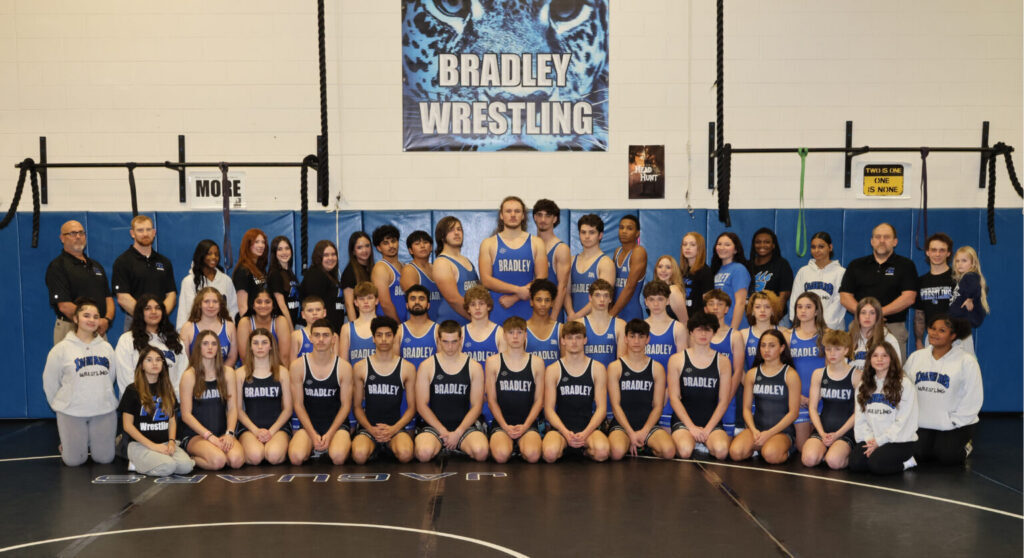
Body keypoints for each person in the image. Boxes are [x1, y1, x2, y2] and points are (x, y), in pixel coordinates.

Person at [43, 298, 118, 466]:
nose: (92, 320)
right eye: (86, 316)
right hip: (72, 412)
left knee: (105, 459)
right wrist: (62, 405)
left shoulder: (106, 348)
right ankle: (70, 444)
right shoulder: (61, 350)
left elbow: (110, 377)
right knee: (74, 461)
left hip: (103, 410)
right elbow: (50, 382)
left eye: (96, 316)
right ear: (76, 319)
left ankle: (92, 440)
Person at [905, 316, 982, 467]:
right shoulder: (916, 357)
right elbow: (905, 389)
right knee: (917, 454)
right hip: (923, 422)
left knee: (948, 457)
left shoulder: (966, 361)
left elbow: (973, 398)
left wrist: (954, 421)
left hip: (954, 423)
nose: (934, 333)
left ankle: (967, 445)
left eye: (942, 330)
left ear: (953, 336)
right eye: (932, 328)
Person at [414, 320, 489, 462]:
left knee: (481, 452)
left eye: (454, 342)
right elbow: (421, 405)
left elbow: (477, 406)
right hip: (435, 426)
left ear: (461, 339)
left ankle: (455, 445)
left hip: (464, 426)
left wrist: (458, 433)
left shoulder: (474, 367)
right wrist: (443, 431)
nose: (450, 347)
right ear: (438, 340)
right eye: (446, 342)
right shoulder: (427, 366)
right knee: (423, 453)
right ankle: (445, 444)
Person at [839, 223, 918, 353]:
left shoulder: (906, 265)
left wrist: (878, 313)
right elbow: (845, 296)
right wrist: (866, 315)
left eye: (887, 237)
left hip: (893, 327)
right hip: (860, 327)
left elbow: (909, 297)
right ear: (872, 241)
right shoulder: (856, 265)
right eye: (878, 237)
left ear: (895, 242)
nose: (882, 241)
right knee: (856, 364)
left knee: (894, 365)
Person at [116, 346, 194, 476]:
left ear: (163, 364)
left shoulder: (167, 389)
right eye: (149, 360)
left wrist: (171, 442)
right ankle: (135, 463)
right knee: (168, 466)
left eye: (158, 360)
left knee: (186, 467)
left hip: (164, 443)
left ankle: (156, 461)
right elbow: (127, 426)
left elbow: (172, 420)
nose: (155, 363)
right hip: (140, 445)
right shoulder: (132, 390)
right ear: (142, 365)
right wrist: (153, 446)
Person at [667, 312, 733, 460]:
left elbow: (723, 401)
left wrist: (708, 429)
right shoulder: (677, 360)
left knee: (721, 451)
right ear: (691, 331)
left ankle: (702, 441)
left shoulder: (723, 362)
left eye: (708, 330)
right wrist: (691, 428)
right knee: (684, 451)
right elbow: (674, 398)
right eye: (699, 329)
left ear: (714, 333)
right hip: (684, 421)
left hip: (710, 421)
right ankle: (691, 440)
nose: (703, 334)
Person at [728, 330, 801, 464]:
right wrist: (753, 430)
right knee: (736, 452)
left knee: (771, 455)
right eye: (763, 345)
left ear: (782, 348)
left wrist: (769, 433)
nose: (766, 350)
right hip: (757, 428)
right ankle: (760, 446)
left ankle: (786, 448)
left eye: (772, 345)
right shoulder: (752, 374)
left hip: (782, 431)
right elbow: (746, 409)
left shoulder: (790, 374)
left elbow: (794, 413)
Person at [351, 316, 417, 464]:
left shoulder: (407, 368)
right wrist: (370, 428)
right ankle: (375, 448)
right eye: (379, 335)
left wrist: (394, 429)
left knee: (406, 454)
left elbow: (412, 407)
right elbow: (357, 407)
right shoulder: (361, 367)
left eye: (388, 335)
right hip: (369, 428)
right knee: (359, 456)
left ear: (394, 337)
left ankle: (388, 447)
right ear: (373, 338)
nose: (384, 339)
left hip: (395, 427)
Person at [606, 319, 675, 460]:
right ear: (625, 339)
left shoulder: (657, 368)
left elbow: (658, 406)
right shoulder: (615, 367)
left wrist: (644, 432)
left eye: (641, 336)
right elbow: (615, 405)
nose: (636, 341)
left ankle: (644, 444)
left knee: (668, 451)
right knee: (616, 452)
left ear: (647, 339)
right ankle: (630, 442)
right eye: (632, 336)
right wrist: (631, 433)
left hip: (647, 425)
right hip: (622, 425)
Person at [541, 321, 610, 462]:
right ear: (563, 341)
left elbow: (601, 408)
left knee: (602, 452)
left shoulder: (597, 368)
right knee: (549, 454)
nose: (574, 342)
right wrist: (566, 433)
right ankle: (565, 447)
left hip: (588, 429)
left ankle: (583, 451)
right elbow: (548, 410)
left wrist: (585, 433)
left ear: (585, 340)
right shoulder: (553, 370)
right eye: (570, 338)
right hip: (561, 430)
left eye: (578, 337)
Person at [288, 318, 353, 465]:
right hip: (310, 425)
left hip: (336, 426)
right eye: (317, 335)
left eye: (326, 335)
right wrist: (312, 434)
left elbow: (345, 405)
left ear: (333, 339)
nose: (321, 339)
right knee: (296, 457)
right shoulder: (298, 366)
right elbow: (298, 404)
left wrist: (330, 434)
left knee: (338, 457)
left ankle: (330, 444)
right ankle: (314, 445)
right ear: (310, 338)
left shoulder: (344, 367)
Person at [178, 329, 244, 470]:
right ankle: (188, 460)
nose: (210, 347)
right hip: (196, 435)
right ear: (198, 347)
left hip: (222, 432)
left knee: (236, 460)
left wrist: (229, 433)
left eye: (214, 344)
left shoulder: (228, 373)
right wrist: (209, 436)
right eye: (205, 343)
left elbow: (232, 408)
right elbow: (186, 415)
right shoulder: (189, 375)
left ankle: (215, 450)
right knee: (218, 461)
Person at [851, 342, 919, 475]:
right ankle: (878, 453)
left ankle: (908, 462)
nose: (879, 359)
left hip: (899, 440)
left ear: (892, 359)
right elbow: (860, 418)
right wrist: (870, 440)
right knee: (855, 463)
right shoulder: (864, 385)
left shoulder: (904, 384)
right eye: (875, 355)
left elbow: (902, 421)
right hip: (873, 438)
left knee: (876, 465)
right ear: (870, 359)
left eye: (884, 356)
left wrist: (880, 441)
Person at [479, 196, 548, 326]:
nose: (513, 215)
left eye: (517, 211)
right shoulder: (489, 244)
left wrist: (515, 297)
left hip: (526, 308)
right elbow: (486, 280)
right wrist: (518, 290)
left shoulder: (536, 243)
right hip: (498, 309)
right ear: (501, 215)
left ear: (523, 216)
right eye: (508, 211)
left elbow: (542, 277)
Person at [485, 317, 546, 463]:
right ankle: (511, 445)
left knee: (533, 455)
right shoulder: (493, 362)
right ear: (504, 336)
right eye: (511, 332)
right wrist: (505, 426)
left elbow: (539, 400)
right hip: (502, 423)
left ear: (526, 335)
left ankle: (520, 445)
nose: (515, 336)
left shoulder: (537, 362)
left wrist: (526, 426)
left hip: (527, 423)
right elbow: (491, 400)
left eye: (519, 332)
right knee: (501, 456)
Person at [46, 220, 115, 344]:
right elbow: (64, 305)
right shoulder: (57, 266)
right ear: (62, 238)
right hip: (71, 327)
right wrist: (91, 321)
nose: (78, 236)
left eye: (81, 233)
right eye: (72, 233)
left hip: (98, 329)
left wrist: (106, 320)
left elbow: (108, 298)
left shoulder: (96, 266)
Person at [801, 329, 860, 470]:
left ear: (846, 350)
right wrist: (821, 433)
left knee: (834, 461)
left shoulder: (856, 375)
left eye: (837, 349)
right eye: (828, 349)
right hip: (824, 429)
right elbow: (812, 408)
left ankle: (842, 454)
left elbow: (858, 413)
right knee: (808, 459)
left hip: (845, 431)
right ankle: (826, 452)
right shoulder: (818, 374)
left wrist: (837, 435)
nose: (832, 353)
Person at [235, 328, 292, 465]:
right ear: (250, 347)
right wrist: (255, 431)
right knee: (255, 456)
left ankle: (279, 447)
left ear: (271, 346)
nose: (260, 347)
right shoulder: (240, 373)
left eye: (264, 342)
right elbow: (238, 410)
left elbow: (288, 409)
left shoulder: (282, 372)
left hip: (277, 427)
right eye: (255, 343)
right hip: (250, 428)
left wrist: (271, 432)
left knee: (273, 455)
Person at [114, 293, 187, 397]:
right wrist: (145, 400)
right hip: (138, 402)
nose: (153, 312)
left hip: (170, 401)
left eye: (157, 308)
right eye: (147, 308)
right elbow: (125, 377)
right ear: (140, 313)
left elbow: (183, 373)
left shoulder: (175, 340)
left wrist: (172, 399)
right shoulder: (127, 340)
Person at [111, 215, 176, 330]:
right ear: (132, 233)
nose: (145, 234)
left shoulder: (164, 262)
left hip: (161, 323)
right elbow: (122, 297)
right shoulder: (123, 261)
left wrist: (159, 316)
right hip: (135, 322)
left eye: (148, 229)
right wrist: (145, 316)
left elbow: (171, 295)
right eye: (140, 230)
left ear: (154, 232)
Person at [643, 280, 687, 425]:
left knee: (666, 434)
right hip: (644, 390)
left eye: (660, 299)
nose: (656, 304)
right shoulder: (640, 327)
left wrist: (668, 393)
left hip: (670, 391)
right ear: (646, 302)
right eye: (651, 299)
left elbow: (682, 367)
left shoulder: (678, 328)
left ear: (668, 301)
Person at [703, 289, 745, 435]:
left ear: (727, 309)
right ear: (705, 309)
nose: (715, 308)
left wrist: (726, 398)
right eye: (711, 304)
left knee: (726, 439)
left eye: (720, 304)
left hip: (728, 394)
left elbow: (738, 371)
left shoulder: (735, 336)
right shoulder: (698, 335)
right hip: (704, 393)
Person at [789, 292, 827, 450]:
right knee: (802, 447)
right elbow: (783, 371)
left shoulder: (827, 335)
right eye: (799, 307)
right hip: (799, 399)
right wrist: (797, 396)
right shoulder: (787, 335)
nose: (803, 310)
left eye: (808, 307)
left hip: (823, 398)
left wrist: (819, 395)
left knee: (820, 445)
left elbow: (833, 370)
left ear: (817, 311)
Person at [175, 239, 238, 330]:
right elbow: (183, 313)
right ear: (201, 255)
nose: (214, 257)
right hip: (196, 333)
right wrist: (182, 333)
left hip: (222, 333)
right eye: (209, 253)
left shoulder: (226, 280)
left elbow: (233, 310)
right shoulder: (189, 281)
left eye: (216, 254)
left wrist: (229, 331)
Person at [789, 231, 846, 330]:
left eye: (821, 247)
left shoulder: (841, 272)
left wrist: (824, 324)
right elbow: (795, 299)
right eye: (813, 247)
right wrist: (798, 322)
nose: (816, 250)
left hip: (832, 329)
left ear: (830, 247)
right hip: (805, 327)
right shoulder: (803, 271)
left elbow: (839, 301)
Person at [566, 214, 615, 320]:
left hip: (596, 322)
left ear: (600, 235)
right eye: (583, 232)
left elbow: (602, 296)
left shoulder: (605, 263)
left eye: (592, 232)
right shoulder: (572, 261)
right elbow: (566, 292)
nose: (587, 236)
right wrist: (571, 313)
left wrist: (578, 316)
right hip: (574, 320)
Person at [433, 216, 479, 325]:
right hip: (452, 326)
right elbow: (453, 299)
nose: (457, 233)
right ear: (442, 236)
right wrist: (478, 319)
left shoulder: (466, 260)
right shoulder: (442, 263)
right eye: (451, 230)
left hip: (470, 323)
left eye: (459, 229)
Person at [913, 233, 955, 351]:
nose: (937, 254)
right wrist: (919, 341)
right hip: (932, 337)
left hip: (957, 337)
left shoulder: (958, 279)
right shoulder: (921, 281)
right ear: (927, 252)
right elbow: (919, 314)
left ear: (948, 253)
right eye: (934, 250)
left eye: (942, 250)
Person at [180, 287, 238, 368]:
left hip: (223, 374)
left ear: (220, 305)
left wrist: (220, 373)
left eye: (215, 302)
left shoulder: (230, 326)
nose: (211, 305)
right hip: (196, 374)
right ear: (199, 304)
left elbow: (232, 357)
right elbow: (184, 361)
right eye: (206, 301)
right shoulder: (188, 327)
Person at [533, 199, 571, 323]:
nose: (543, 219)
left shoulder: (561, 249)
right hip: (529, 310)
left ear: (554, 219)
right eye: (540, 215)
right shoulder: (530, 245)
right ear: (535, 217)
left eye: (548, 216)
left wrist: (553, 317)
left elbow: (562, 286)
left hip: (550, 311)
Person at [236, 287, 292, 366]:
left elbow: (284, 357)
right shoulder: (245, 322)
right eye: (259, 302)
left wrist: (275, 373)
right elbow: (244, 357)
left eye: (267, 302)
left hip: (276, 368)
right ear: (253, 305)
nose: (263, 305)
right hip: (250, 368)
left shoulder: (280, 321)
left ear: (273, 305)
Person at [948, 246, 989, 354]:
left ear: (973, 263)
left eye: (964, 261)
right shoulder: (964, 278)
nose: (960, 264)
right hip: (958, 325)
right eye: (957, 261)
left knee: (966, 356)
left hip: (961, 327)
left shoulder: (970, 276)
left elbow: (975, 287)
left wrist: (971, 298)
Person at [747, 228, 794, 322]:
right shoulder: (747, 266)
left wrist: (773, 320)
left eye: (767, 242)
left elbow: (784, 296)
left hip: (776, 319)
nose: (762, 245)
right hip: (752, 319)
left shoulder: (781, 265)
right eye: (758, 242)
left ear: (773, 245)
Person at [576, 279, 625, 368]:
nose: (602, 299)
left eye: (606, 296)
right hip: (586, 376)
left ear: (610, 299)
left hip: (610, 375)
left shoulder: (620, 325)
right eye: (597, 295)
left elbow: (621, 362)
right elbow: (575, 360)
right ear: (590, 298)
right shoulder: (579, 324)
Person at [300, 239, 344, 332]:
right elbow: (314, 308)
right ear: (318, 257)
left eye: (333, 254)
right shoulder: (315, 275)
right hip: (320, 332)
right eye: (326, 255)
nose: (331, 258)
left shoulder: (329, 275)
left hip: (330, 330)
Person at [609, 215, 647, 322]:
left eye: (629, 228)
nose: (624, 231)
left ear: (637, 233)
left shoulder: (639, 252)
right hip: (615, 312)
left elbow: (630, 287)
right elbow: (612, 285)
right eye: (621, 227)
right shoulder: (617, 252)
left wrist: (611, 314)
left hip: (631, 313)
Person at [849, 297, 902, 372]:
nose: (867, 317)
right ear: (857, 316)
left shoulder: (889, 339)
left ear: (878, 316)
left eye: (872, 313)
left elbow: (896, 370)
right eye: (863, 312)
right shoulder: (848, 338)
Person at [711, 232, 750, 330]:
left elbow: (740, 302)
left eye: (727, 245)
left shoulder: (739, 269)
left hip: (734, 327)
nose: (722, 247)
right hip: (719, 326)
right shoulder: (717, 270)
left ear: (735, 250)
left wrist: (733, 330)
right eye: (719, 244)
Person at [400, 230, 441, 321]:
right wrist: (429, 325)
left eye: (425, 242)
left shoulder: (436, 268)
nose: (422, 246)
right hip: (420, 322)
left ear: (431, 247)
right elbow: (415, 302)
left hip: (439, 321)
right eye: (417, 243)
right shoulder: (409, 270)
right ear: (410, 250)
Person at [461, 285, 507, 366]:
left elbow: (502, 366)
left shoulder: (500, 333)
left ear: (488, 306)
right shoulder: (461, 333)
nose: (477, 308)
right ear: (468, 309)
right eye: (473, 304)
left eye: (481, 304)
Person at [741, 290, 783, 373]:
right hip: (753, 379)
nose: (762, 310)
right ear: (752, 311)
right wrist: (748, 380)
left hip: (778, 379)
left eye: (767, 307)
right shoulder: (743, 334)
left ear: (773, 310)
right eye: (758, 307)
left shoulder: (784, 333)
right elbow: (739, 367)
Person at [372, 224, 407, 322]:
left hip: (406, 323)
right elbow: (385, 304)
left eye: (393, 241)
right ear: (379, 248)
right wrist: (398, 326)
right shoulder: (380, 268)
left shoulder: (405, 266)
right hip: (389, 324)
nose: (391, 245)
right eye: (386, 243)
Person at [397, 285, 437, 370]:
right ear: (407, 305)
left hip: (431, 378)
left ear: (428, 305)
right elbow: (395, 364)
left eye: (421, 299)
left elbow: (441, 363)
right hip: (406, 378)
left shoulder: (437, 330)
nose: (417, 302)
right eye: (413, 299)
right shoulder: (399, 331)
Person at [232, 228, 268, 320]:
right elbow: (242, 306)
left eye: (263, 242)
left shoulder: (260, 269)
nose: (261, 245)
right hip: (249, 322)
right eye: (256, 242)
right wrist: (249, 325)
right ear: (248, 245)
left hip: (260, 320)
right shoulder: (242, 270)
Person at [338, 282, 378, 363]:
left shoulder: (385, 326)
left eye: (370, 298)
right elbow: (343, 363)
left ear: (376, 301)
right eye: (361, 299)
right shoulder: (347, 329)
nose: (366, 302)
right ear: (355, 302)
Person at [268, 235, 301, 331]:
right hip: (282, 326)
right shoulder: (275, 274)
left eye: (287, 248)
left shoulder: (290, 273)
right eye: (280, 249)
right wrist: (290, 328)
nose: (284, 252)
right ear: (274, 253)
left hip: (293, 322)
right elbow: (281, 304)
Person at [525, 280, 561, 367]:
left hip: (554, 375)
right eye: (539, 300)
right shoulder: (522, 329)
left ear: (552, 303)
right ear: (531, 302)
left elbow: (565, 364)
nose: (543, 304)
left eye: (547, 300)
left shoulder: (560, 329)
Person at [340, 231, 374, 321]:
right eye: (359, 247)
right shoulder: (349, 273)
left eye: (367, 246)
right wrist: (354, 327)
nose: (364, 250)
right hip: (356, 320)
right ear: (353, 252)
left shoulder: (373, 269)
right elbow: (349, 304)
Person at [680, 232, 714, 312]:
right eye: (685, 244)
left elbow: (708, 303)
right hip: (682, 316)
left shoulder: (705, 272)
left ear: (700, 248)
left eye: (692, 245)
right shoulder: (681, 271)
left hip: (698, 317)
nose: (687, 247)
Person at [290, 296, 327, 363]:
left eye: (318, 309)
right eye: (310, 310)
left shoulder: (333, 335)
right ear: (303, 314)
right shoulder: (296, 335)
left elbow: (336, 363)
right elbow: (292, 364)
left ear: (324, 313)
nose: (314, 313)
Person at [653, 255, 689, 322]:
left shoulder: (673, 291)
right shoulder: (653, 290)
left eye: (668, 267)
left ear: (673, 271)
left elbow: (684, 322)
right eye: (660, 267)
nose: (663, 270)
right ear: (656, 270)